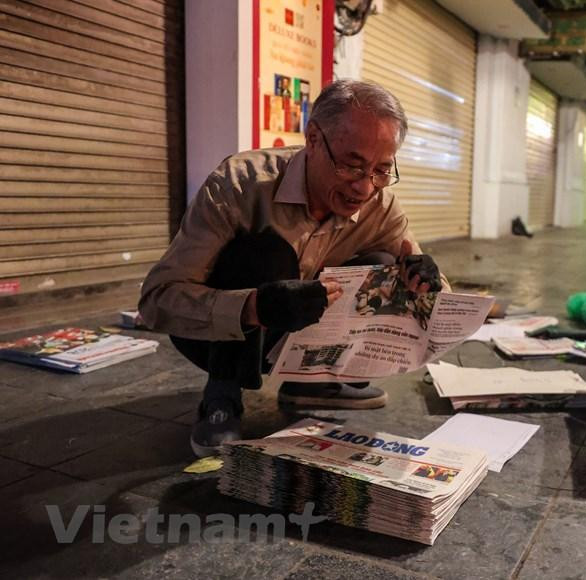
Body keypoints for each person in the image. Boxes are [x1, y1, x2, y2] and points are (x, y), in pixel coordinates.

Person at [139, 80, 445, 457]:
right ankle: (222, 394)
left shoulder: (380, 206)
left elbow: (429, 279)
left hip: (303, 341)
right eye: (352, 166)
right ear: (314, 139)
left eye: (381, 170)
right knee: (264, 254)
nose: (365, 189)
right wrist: (254, 306)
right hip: (220, 339)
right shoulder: (240, 184)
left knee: (384, 265)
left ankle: (312, 382)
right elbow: (156, 301)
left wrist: (426, 278)